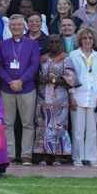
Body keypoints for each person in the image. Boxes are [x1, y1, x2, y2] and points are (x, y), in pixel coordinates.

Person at [0, 14, 40, 164]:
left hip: (27, 88)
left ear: (24, 27)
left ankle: (26, 154)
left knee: (28, 123)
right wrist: (10, 81)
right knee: (7, 123)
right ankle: (9, 154)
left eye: (19, 25)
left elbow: (34, 65)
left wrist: (21, 80)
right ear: (9, 27)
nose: (16, 27)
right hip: (7, 88)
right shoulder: (3, 44)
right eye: (13, 25)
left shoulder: (32, 44)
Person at [67, 28, 97, 167]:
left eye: (90, 38)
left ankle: (91, 157)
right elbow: (69, 77)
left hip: (94, 98)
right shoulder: (73, 55)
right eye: (84, 38)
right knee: (77, 130)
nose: (87, 40)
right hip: (78, 96)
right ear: (80, 40)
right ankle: (77, 157)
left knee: (92, 130)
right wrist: (71, 96)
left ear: (94, 40)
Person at [32, 36, 74, 165]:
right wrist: (41, 79)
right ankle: (44, 155)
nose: (54, 44)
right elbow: (35, 75)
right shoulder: (42, 59)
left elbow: (71, 79)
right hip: (43, 98)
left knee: (58, 127)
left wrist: (53, 80)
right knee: (43, 126)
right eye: (51, 42)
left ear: (61, 44)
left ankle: (57, 155)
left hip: (59, 100)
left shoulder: (66, 58)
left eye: (57, 42)